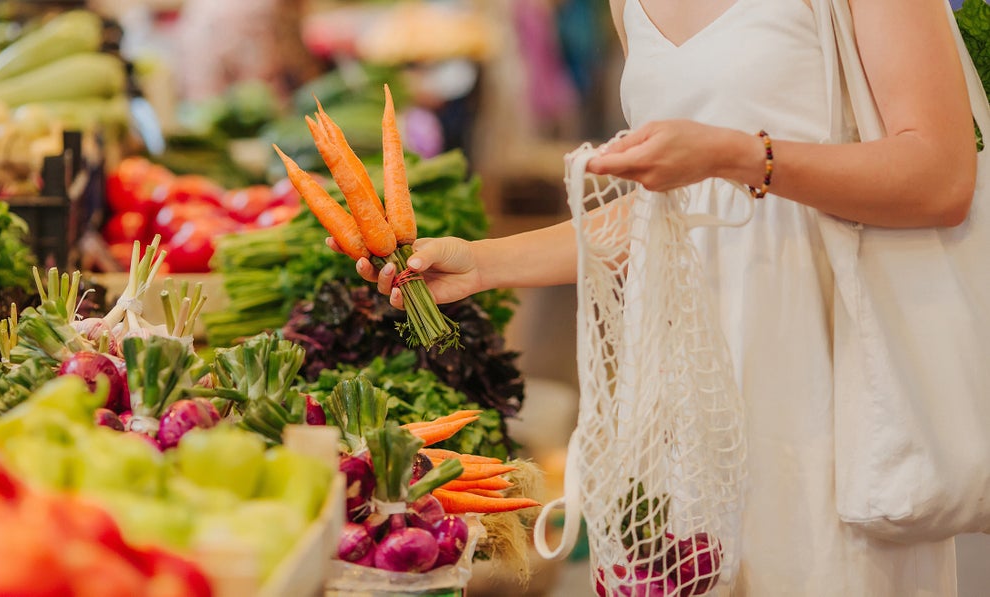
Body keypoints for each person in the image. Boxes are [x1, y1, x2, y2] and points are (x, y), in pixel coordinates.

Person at [336, 0, 979, 594]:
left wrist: (738, 155)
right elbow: (666, 212)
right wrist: (482, 263)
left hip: (829, 375)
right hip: (686, 393)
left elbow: (942, 176)